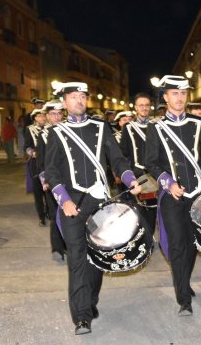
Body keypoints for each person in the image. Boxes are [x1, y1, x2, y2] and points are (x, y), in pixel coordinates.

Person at [45, 81, 141, 335]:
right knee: (77, 258)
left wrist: (130, 178)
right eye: (73, 97)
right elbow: (52, 171)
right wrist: (63, 199)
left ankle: (91, 301)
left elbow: (117, 159)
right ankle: (82, 316)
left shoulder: (100, 128)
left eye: (82, 96)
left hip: (99, 203)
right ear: (64, 103)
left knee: (97, 257)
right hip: (72, 205)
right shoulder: (57, 132)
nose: (78, 100)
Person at [145, 75, 201, 316]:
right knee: (179, 244)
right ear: (165, 97)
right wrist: (168, 182)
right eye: (174, 93)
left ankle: (184, 281)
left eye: (183, 93)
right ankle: (183, 298)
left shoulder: (198, 124)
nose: (180, 98)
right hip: (173, 196)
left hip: (196, 193)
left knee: (193, 243)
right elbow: (150, 162)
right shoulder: (156, 127)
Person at [120, 92, 156, 233]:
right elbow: (124, 152)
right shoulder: (128, 128)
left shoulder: (156, 125)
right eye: (141, 105)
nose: (144, 108)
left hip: (154, 175)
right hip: (138, 175)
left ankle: (150, 238)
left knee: (153, 211)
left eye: (147, 105)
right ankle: (142, 238)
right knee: (139, 210)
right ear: (136, 107)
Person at [37, 100, 66, 262]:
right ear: (47, 116)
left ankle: (69, 245)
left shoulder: (69, 131)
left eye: (59, 114)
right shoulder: (43, 135)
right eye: (53, 114)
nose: (56, 117)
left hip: (69, 180)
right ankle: (57, 249)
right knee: (55, 215)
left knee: (71, 214)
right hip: (52, 181)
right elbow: (40, 161)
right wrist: (45, 180)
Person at [25, 108, 48, 227]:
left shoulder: (51, 128)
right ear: (35, 118)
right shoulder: (30, 129)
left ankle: (50, 212)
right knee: (38, 192)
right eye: (39, 116)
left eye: (44, 115)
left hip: (49, 163)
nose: (42, 118)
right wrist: (33, 153)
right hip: (36, 164)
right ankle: (41, 217)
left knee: (49, 191)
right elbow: (27, 146)